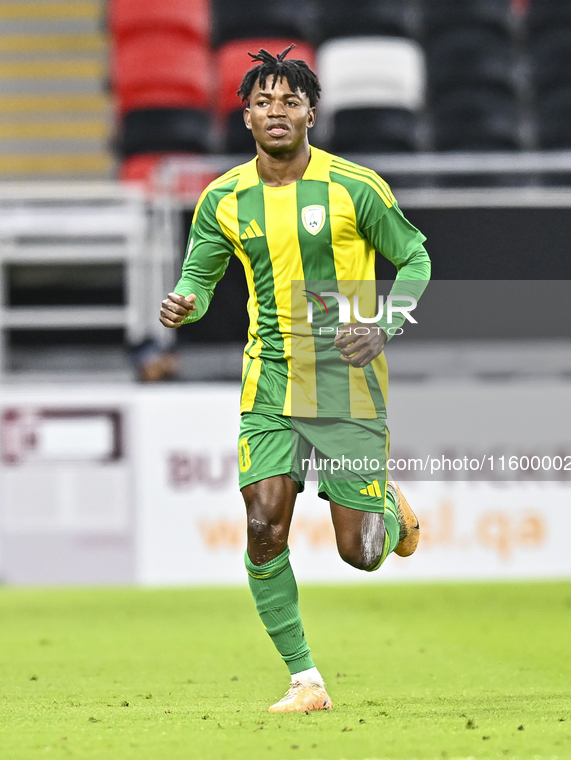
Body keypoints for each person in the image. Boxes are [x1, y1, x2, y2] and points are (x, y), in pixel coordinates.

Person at [159, 46, 431, 713]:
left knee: (360, 554)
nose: (275, 111)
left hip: (344, 377)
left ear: (312, 112)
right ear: (244, 116)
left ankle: (387, 511)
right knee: (261, 527)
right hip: (271, 378)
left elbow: (415, 257)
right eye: (262, 101)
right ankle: (304, 680)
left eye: (289, 100)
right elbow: (199, 271)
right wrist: (184, 299)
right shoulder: (223, 198)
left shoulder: (355, 188)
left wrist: (383, 324)